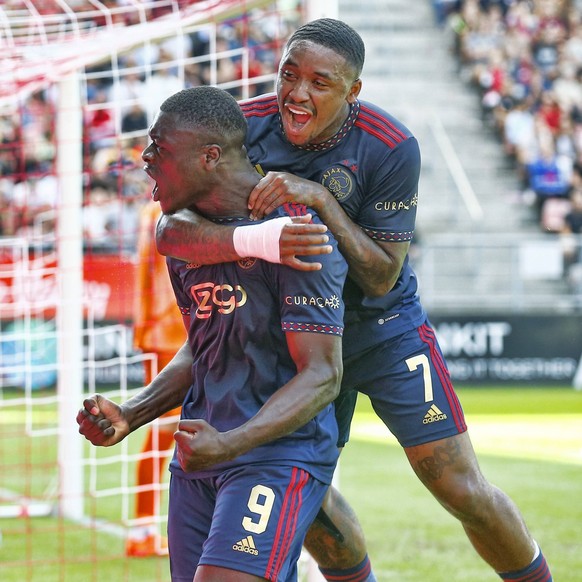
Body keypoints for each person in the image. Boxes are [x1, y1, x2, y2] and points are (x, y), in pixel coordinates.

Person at [155, 18, 553, 582]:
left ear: (353, 92)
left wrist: (321, 201)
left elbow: (383, 278)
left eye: (320, 83)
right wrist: (255, 238)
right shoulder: (243, 126)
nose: (296, 93)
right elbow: (172, 223)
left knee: (459, 486)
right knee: (306, 497)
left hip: (380, 330)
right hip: (289, 340)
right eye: (289, 74)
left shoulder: (391, 148)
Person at [77, 85, 348, 582]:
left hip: (275, 454)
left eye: (160, 146)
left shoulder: (299, 234)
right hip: (200, 456)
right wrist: (133, 413)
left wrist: (234, 442)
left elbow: (323, 376)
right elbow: (203, 345)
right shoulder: (184, 235)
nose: (146, 157)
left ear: (209, 156)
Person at [126, 200, 186, 557]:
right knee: (165, 433)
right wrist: (144, 328)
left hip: (184, 330)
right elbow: (145, 274)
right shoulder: (157, 212)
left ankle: (145, 528)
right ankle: (143, 527)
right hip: (172, 334)